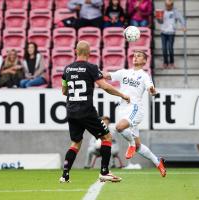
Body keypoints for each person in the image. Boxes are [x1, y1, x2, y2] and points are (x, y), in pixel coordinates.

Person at [59, 40, 130, 183]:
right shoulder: (91, 68)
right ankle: (105, 171)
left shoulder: (67, 69)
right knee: (107, 137)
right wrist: (122, 95)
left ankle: (65, 175)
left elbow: (64, 91)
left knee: (75, 143)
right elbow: (105, 87)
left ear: (75, 51)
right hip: (86, 110)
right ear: (89, 53)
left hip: (71, 111)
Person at [104, 50, 167, 177]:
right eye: (134, 56)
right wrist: (94, 72)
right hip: (123, 109)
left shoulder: (144, 75)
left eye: (139, 56)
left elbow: (150, 88)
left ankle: (131, 144)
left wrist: (152, 90)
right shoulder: (124, 72)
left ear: (144, 61)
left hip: (135, 109)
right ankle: (158, 162)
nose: (135, 57)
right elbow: (107, 75)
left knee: (119, 127)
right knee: (138, 146)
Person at [159, 0, 186, 68]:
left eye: (169, 5)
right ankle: (165, 62)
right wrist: (159, 18)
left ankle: (171, 62)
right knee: (164, 48)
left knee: (170, 48)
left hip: (171, 32)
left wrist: (183, 26)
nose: (167, 7)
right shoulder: (162, 11)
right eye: (166, 5)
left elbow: (181, 19)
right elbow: (160, 21)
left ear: (172, 5)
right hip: (163, 32)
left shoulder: (175, 12)